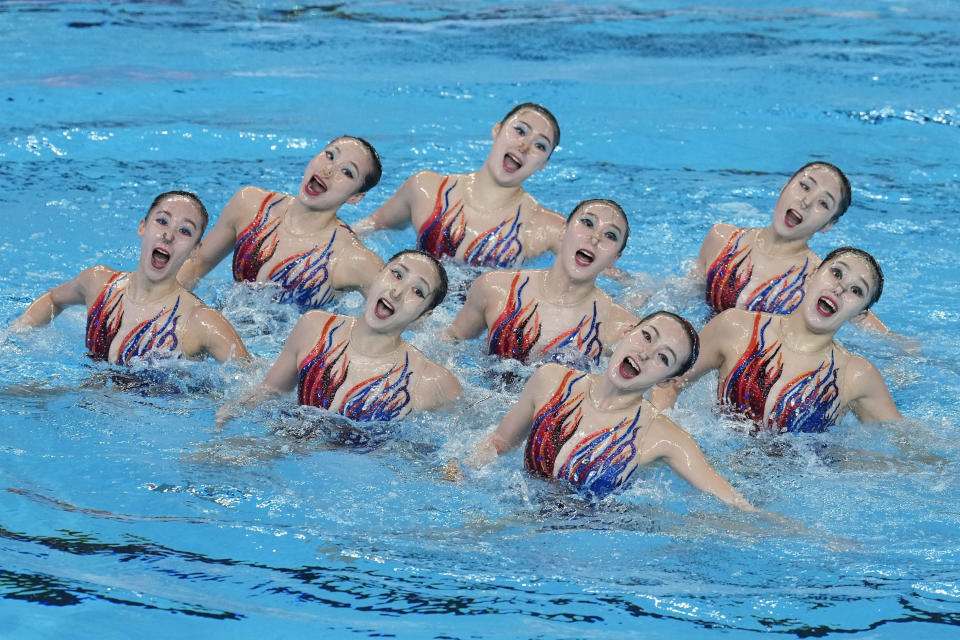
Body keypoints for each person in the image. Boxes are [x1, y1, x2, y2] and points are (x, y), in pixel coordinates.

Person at [447, 311, 756, 509]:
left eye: (663, 358)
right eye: (646, 336)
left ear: (668, 381)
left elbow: (733, 502)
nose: (646, 353)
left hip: (586, 540)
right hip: (516, 510)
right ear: (628, 332)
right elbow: (500, 441)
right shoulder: (551, 380)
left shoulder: (662, 437)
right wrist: (466, 468)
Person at [652, 247, 901, 432]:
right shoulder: (736, 327)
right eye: (837, 273)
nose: (840, 289)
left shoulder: (855, 375)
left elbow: (902, 442)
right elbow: (667, 383)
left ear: (859, 314)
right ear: (812, 275)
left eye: (857, 290)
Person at [217, 250, 461, 425]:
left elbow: (471, 428)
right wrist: (234, 408)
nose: (397, 292)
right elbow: (271, 390)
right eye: (396, 274)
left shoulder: (428, 381)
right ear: (377, 276)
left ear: (423, 316)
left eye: (417, 291)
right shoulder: (314, 328)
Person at [13, 191, 249, 364]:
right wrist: (15, 335)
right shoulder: (99, 284)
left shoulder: (200, 322)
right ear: (142, 227)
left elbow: (250, 380)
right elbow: (53, 299)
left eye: (184, 231)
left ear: (195, 250)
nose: (168, 235)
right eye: (162, 221)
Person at [177, 136, 385, 311]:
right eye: (330, 155)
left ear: (356, 197)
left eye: (347, 172)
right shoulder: (249, 206)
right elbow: (198, 265)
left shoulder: (352, 258)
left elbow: (408, 322)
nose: (328, 170)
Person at [353, 103, 566, 268]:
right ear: (497, 130)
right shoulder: (426, 189)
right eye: (520, 131)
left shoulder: (545, 228)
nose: (524, 146)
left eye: (540, 145)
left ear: (544, 164)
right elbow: (374, 224)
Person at [447, 199, 639, 368]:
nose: (595, 238)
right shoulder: (496, 288)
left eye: (611, 235)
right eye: (587, 223)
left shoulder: (621, 328)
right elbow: (452, 338)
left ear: (615, 259)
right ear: (563, 231)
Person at [696, 161, 887, 331]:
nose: (806, 201)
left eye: (823, 203)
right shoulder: (722, 238)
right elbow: (689, 292)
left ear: (828, 224)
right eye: (804, 186)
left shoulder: (819, 278)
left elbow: (873, 325)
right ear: (784, 186)